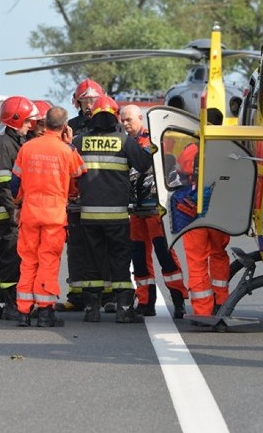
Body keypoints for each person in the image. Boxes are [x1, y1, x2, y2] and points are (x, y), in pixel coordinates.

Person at [72, 95, 153, 322]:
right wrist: (151, 146)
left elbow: (71, 173)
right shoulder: (124, 141)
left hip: (88, 214)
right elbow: (144, 165)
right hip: (116, 215)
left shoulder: (79, 141)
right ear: (115, 116)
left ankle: (91, 311)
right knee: (119, 260)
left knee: (92, 260)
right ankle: (124, 310)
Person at [12, 106, 86, 327]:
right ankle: (45, 312)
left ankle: (23, 312)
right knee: (48, 261)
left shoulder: (27, 147)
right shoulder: (67, 151)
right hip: (54, 215)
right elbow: (81, 175)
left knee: (28, 261)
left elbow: (15, 181)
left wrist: (18, 204)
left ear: (43, 123)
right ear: (64, 126)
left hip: (30, 212)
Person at [119, 104, 189, 319]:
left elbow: (171, 169)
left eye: (128, 119)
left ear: (140, 118)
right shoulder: (122, 143)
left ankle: (178, 301)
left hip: (155, 210)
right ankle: (145, 302)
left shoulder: (155, 140)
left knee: (165, 256)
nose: (125, 124)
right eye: (122, 120)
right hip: (135, 211)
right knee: (139, 259)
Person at [175, 108, 230, 332]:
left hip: (193, 214)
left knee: (196, 261)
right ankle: (222, 303)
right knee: (218, 255)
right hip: (219, 213)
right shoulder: (228, 150)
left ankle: (201, 311)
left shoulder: (190, 150)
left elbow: (178, 176)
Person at [0, 96, 37, 320]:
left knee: (6, 259)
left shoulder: (12, 142)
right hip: (6, 213)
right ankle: (10, 305)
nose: (30, 125)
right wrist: (15, 212)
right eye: (27, 121)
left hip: (8, 211)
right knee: (11, 259)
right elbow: (1, 184)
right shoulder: (3, 145)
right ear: (15, 120)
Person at [57, 78, 104, 312]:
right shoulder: (70, 128)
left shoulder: (109, 126)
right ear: (77, 102)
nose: (89, 105)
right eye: (85, 101)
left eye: (93, 100)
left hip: (102, 195)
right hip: (75, 197)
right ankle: (77, 295)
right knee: (76, 247)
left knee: (103, 247)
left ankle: (106, 295)